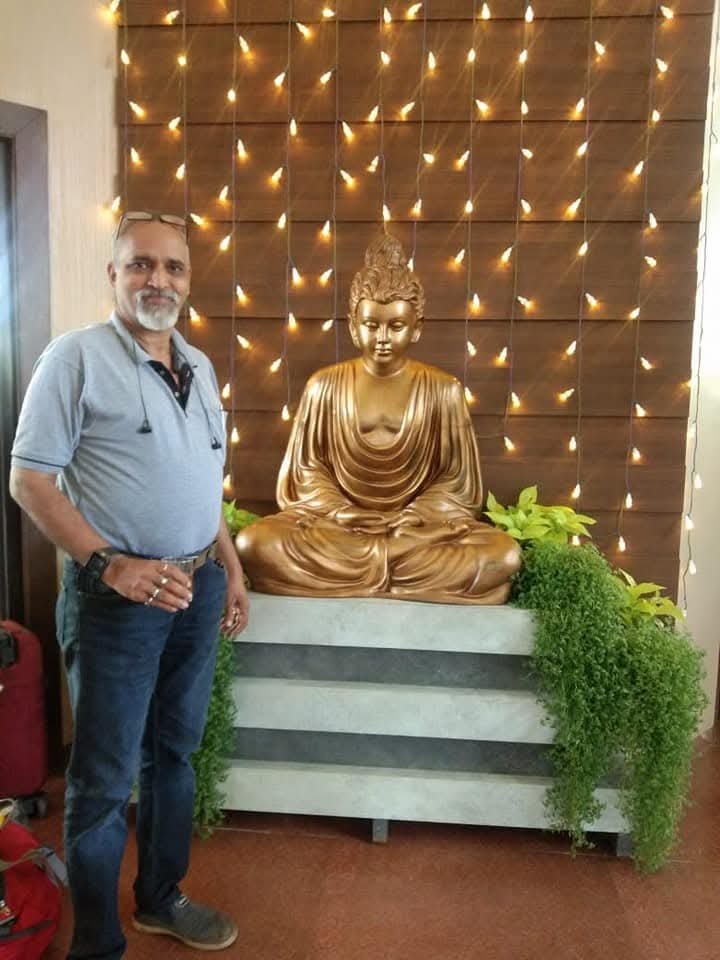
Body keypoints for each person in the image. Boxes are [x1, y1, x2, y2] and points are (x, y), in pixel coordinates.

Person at [9, 210, 249, 959]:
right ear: (113, 274)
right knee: (105, 778)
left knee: (173, 755)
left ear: (188, 280)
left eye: (173, 267)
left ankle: (160, 898)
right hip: (116, 604)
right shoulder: (75, 358)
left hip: (196, 592)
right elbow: (29, 480)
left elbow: (203, 482)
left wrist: (231, 567)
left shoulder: (200, 365)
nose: (158, 280)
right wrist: (110, 564)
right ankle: (98, 944)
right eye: (141, 264)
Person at [236, 234, 521, 603]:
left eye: (396, 326)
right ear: (353, 326)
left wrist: (416, 516)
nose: (382, 337)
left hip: (416, 530)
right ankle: (392, 567)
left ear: (417, 327)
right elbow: (306, 470)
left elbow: (457, 482)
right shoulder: (325, 386)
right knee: (255, 542)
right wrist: (342, 512)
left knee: (502, 553)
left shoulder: (443, 389)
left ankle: (368, 568)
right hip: (340, 528)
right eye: (372, 325)